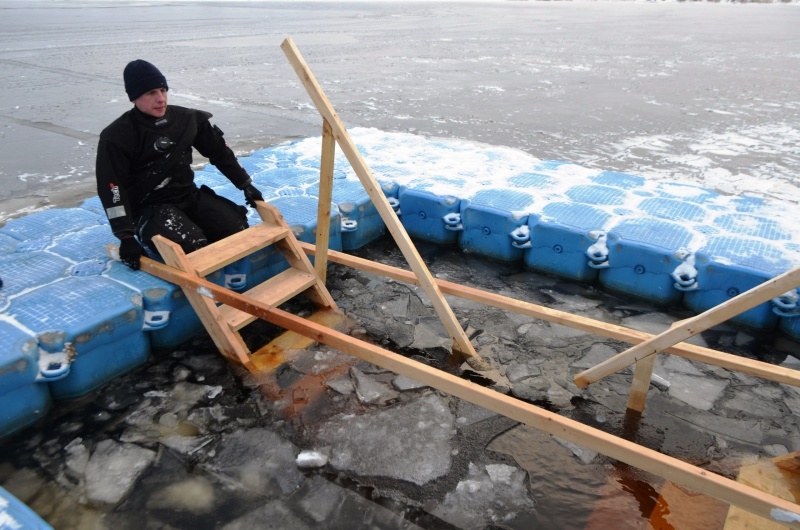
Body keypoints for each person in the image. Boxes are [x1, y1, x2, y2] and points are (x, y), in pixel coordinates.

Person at [96, 59, 264, 270]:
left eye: (163, 90)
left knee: (236, 227)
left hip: (187, 196)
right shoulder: (117, 135)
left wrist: (245, 184)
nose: (160, 99)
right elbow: (112, 187)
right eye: (151, 93)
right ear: (134, 98)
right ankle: (148, 231)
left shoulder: (187, 120)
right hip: (149, 207)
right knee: (193, 247)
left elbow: (219, 152)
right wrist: (125, 236)